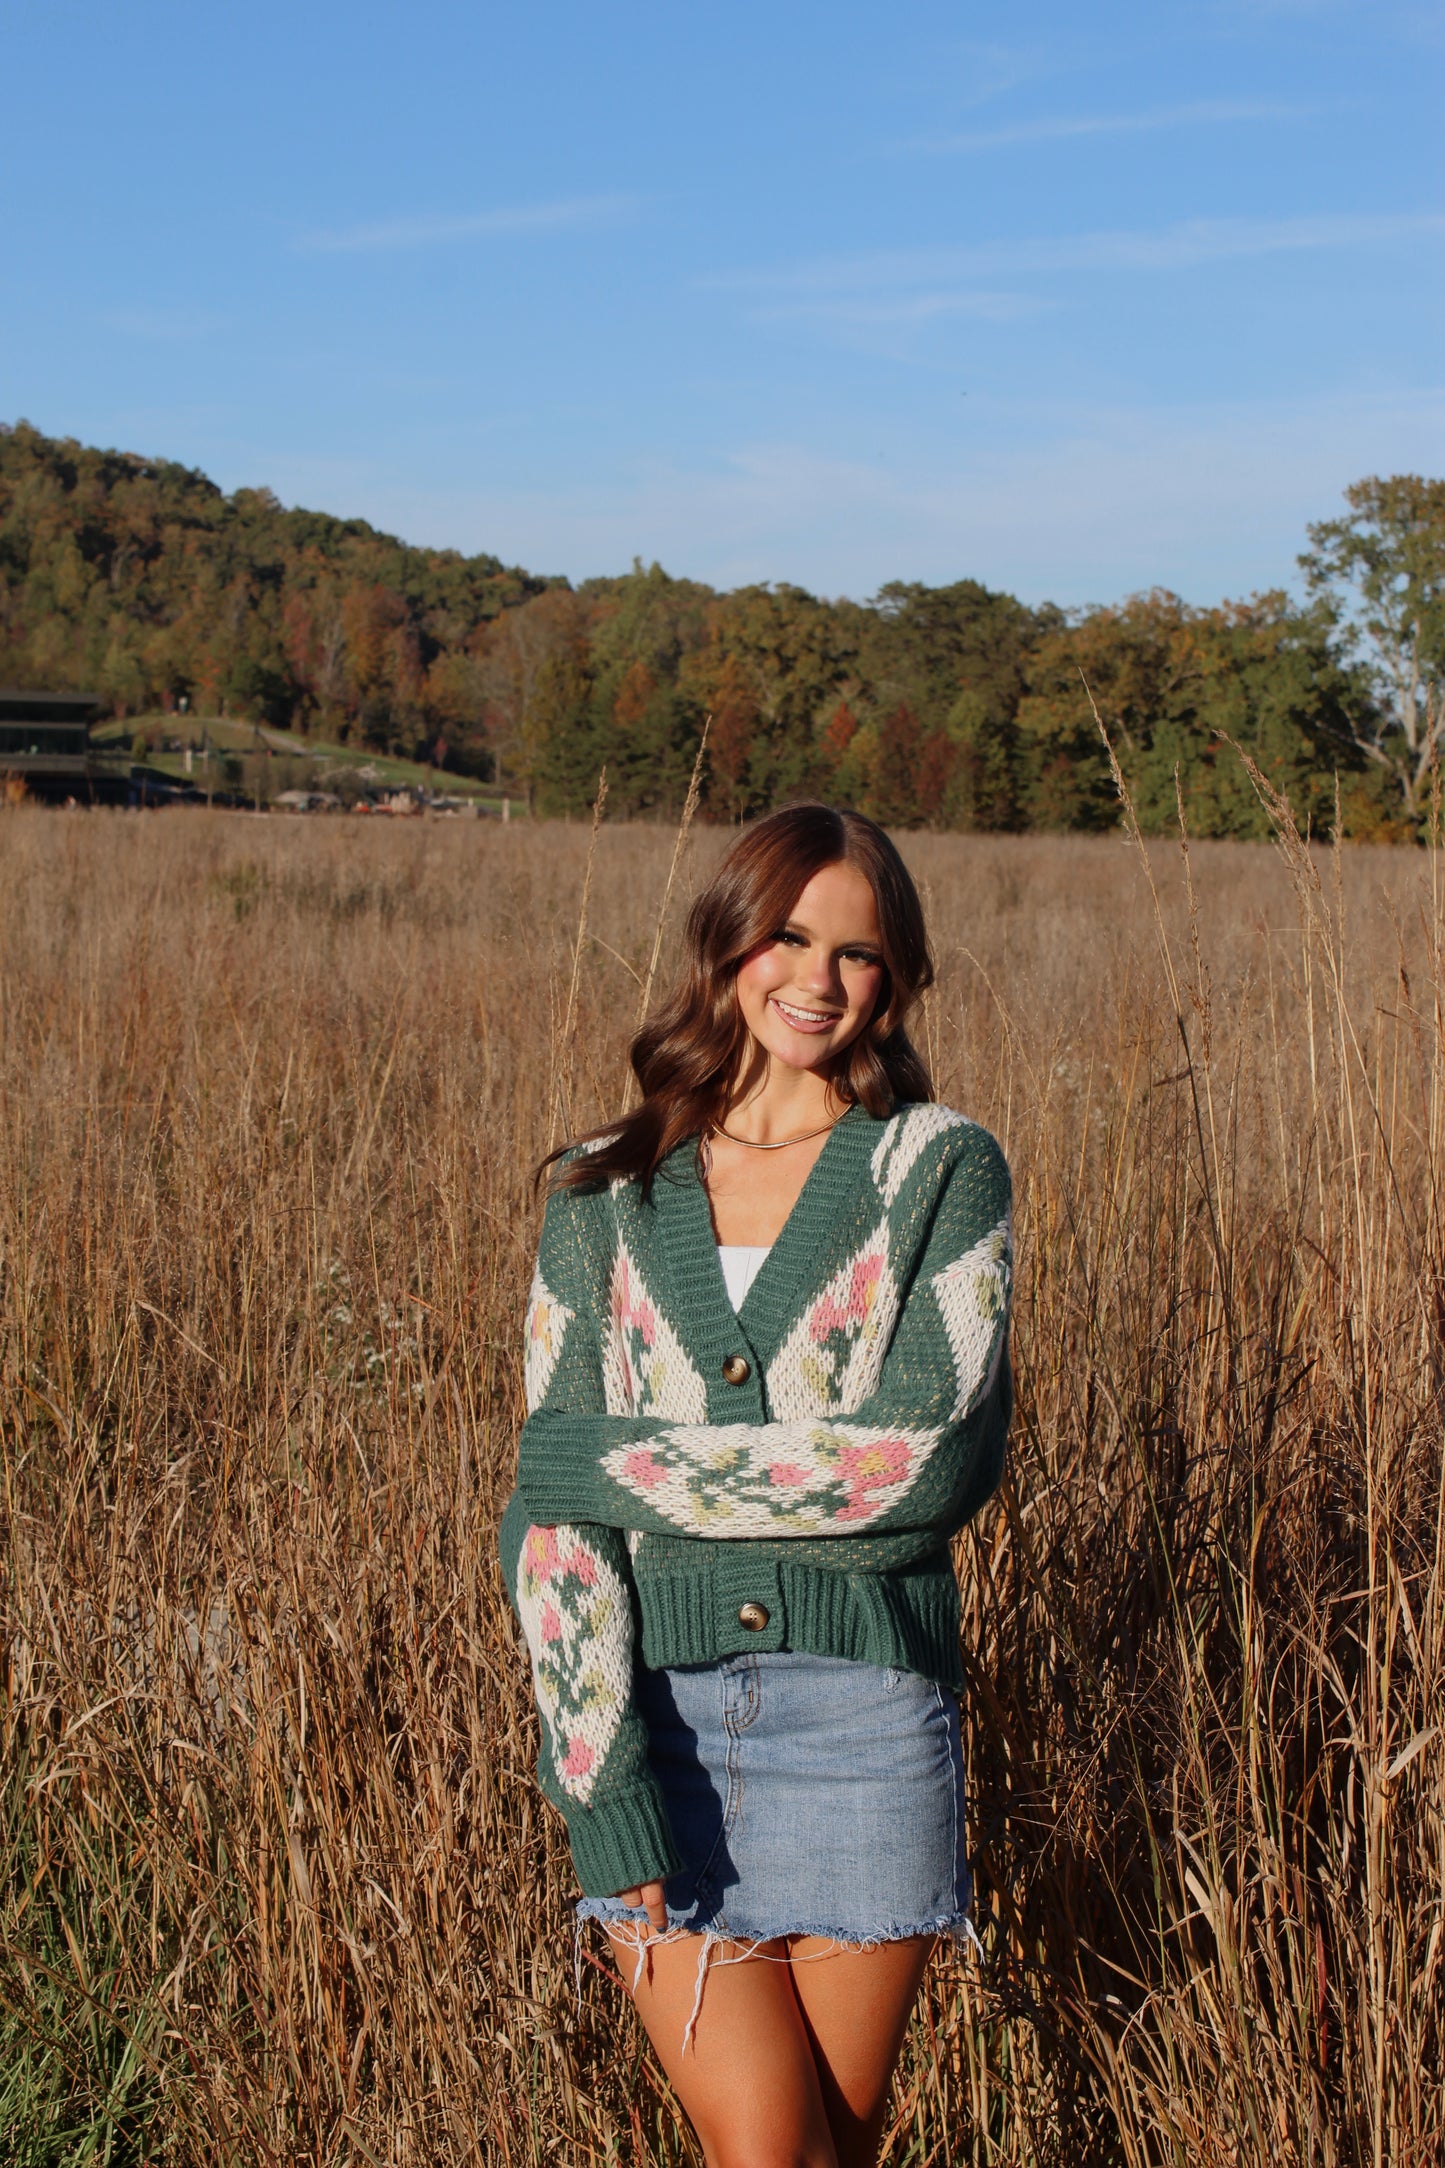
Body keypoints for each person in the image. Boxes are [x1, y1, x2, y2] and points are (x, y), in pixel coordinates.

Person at [500, 803, 1013, 2168]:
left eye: (857, 954)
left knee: (834, 2148)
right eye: (788, 937)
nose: (817, 980)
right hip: (648, 1727)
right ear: (728, 941)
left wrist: (609, 1462)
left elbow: (918, 1472)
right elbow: (555, 1531)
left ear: (893, 977)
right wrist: (596, 1784)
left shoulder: (937, 1170)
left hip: (862, 1724)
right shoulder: (599, 1193)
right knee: (763, 2151)